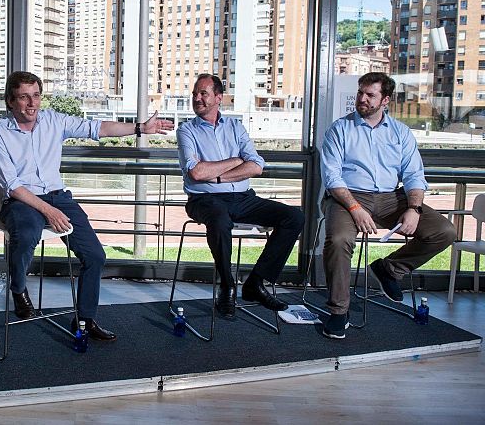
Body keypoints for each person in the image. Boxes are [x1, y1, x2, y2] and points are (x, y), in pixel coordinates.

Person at [0, 71, 173, 341]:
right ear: (10, 101)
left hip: (58, 197)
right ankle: (18, 288)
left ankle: (84, 320)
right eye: (24, 97)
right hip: (21, 201)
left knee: (95, 256)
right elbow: (13, 186)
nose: (32, 103)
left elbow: (99, 128)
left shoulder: (53, 120)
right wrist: (48, 211)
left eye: (36, 96)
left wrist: (140, 128)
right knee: (26, 235)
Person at [320, 72, 455, 339]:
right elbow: (332, 177)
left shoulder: (401, 132)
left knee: (445, 231)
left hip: (391, 198)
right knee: (338, 239)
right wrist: (355, 208)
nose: (362, 98)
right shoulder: (339, 129)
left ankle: (390, 269)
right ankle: (338, 311)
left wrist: (414, 209)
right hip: (347, 195)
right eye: (361, 93)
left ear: (385, 101)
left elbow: (414, 175)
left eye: (370, 95)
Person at [176, 74, 304, 319]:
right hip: (203, 200)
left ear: (218, 98)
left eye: (203, 93)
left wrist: (219, 177)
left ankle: (256, 283)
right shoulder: (186, 130)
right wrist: (235, 161)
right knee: (221, 220)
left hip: (243, 197)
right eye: (195, 93)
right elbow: (196, 171)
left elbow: (256, 165)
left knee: (294, 217)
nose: (197, 98)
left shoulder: (235, 127)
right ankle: (226, 284)